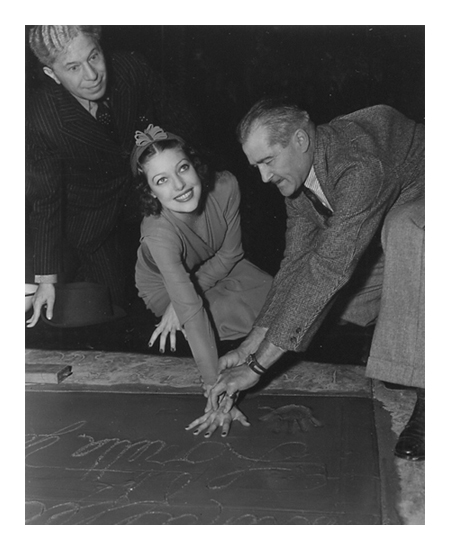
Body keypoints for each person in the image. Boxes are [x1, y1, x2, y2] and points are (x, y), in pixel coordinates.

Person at [201, 98, 424, 460]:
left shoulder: (358, 165)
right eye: (256, 165)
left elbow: (328, 269)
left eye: (268, 161)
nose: (263, 177)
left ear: (301, 140)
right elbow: (296, 265)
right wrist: (248, 346)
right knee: (342, 307)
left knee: (407, 231)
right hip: (399, 206)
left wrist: (257, 368)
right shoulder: (301, 178)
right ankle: (408, 349)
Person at [26, 25, 200, 327]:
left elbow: (183, 123)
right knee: (111, 314)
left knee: (180, 300)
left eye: (94, 56)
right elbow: (45, 198)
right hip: (92, 224)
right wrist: (46, 278)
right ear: (52, 75)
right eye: (73, 67)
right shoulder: (41, 115)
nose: (92, 75)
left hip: (153, 203)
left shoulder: (132, 67)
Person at [131, 124, 273, 437]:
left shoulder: (225, 186)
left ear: (195, 164)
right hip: (164, 288)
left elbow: (231, 254)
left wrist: (189, 291)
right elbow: (192, 310)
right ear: (150, 191)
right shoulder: (157, 232)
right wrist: (216, 389)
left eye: (183, 168)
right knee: (222, 318)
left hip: (218, 268)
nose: (179, 185)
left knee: (279, 300)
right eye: (161, 180)